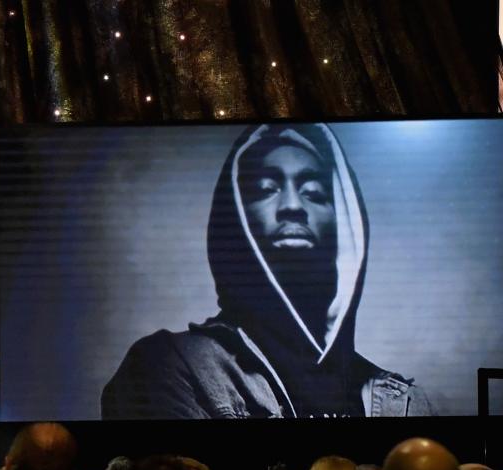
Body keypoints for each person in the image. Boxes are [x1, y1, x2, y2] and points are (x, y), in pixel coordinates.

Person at [102, 123, 431, 419]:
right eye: (265, 188)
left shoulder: (401, 401)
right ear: (234, 220)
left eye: (314, 193)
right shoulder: (168, 368)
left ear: (344, 224)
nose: (292, 205)